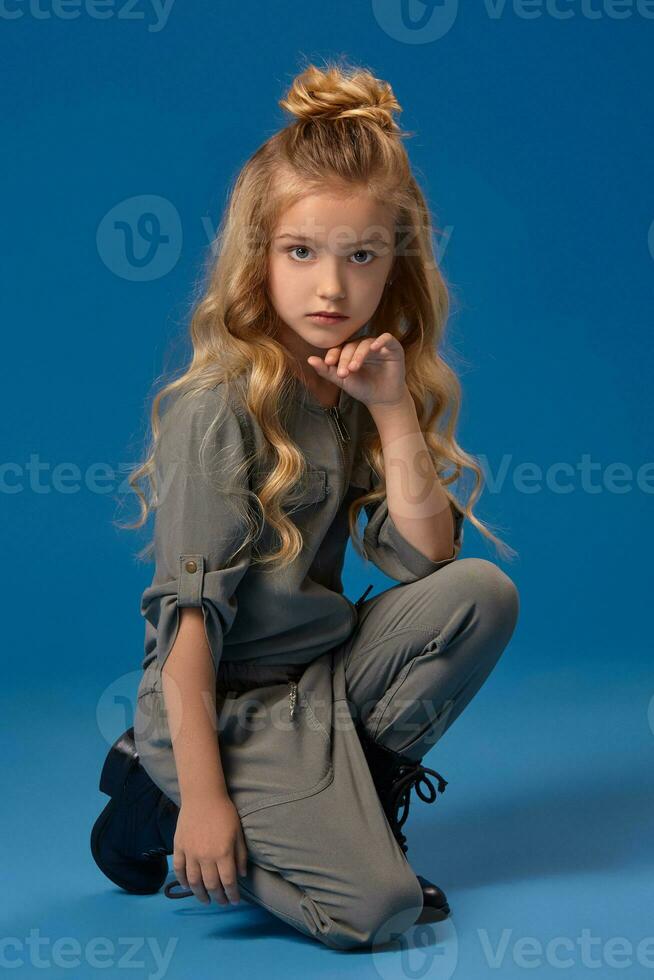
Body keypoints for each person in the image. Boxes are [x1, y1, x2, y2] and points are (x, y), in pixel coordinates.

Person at [90, 59, 520, 951]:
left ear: (389, 268)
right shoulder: (221, 409)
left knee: (483, 594)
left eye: (361, 256)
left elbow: (429, 562)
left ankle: (348, 804)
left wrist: (393, 408)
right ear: (260, 257)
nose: (332, 287)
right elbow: (188, 630)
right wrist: (206, 803)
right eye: (303, 252)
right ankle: (158, 798)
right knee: (375, 911)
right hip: (221, 708)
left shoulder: (351, 384)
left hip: (318, 685)